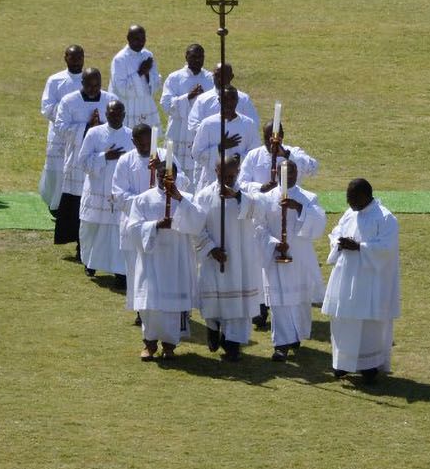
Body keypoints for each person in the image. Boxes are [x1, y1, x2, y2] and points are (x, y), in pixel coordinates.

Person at [172, 155, 267, 362]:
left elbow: (261, 209)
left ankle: (233, 344)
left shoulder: (247, 192)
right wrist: (211, 248)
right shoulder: (205, 195)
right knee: (213, 301)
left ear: (238, 171)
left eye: (232, 175)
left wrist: (237, 196)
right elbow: (197, 226)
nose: (229, 179)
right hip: (214, 259)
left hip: (241, 261)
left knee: (238, 307)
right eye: (224, 176)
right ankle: (213, 327)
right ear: (216, 172)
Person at [244, 159, 327, 361]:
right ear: (278, 174)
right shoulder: (266, 199)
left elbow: (319, 223)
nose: (290, 177)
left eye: (293, 173)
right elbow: (258, 226)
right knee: (279, 301)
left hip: (299, 258)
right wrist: (273, 243)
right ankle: (281, 344)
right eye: (286, 173)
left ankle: (295, 335)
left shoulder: (308, 197)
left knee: (299, 300)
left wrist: (299, 208)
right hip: (275, 257)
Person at [322, 178, 400, 382]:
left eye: (352, 198)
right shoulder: (350, 213)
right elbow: (336, 231)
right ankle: (343, 363)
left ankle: (368, 365)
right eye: (348, 198)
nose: (349, 202)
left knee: (367, 323)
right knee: (343, 320)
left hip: (369, 282)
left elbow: (387, 249)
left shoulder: (385, 218)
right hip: (345, 275)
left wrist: (359, 247)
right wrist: (338, 242)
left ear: (365, 195)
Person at [121, 157, 195, 361]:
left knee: (172, 308)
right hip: (151, 260)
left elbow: (198, 222)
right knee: (150, 306)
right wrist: (155, 226)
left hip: (177, 260)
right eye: (162, 176)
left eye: (170, 176)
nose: (165, 180)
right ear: (157, 176)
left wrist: (180, 198)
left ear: (177, 177)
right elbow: (133, 228)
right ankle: (149, 344)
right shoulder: (143, 199)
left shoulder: (186, 198)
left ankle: (169, 346)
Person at [51, 68, 118, 253]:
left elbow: (118, 125)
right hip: (77, 161)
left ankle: (98, 245)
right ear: (82, 83)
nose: (93, 89)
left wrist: (101, 128)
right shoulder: (69, 101)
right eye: (89, 85)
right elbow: (61, 128)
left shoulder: (110, 100)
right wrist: (88, 127)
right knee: (77, 204)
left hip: (104, 162)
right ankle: (81, 245)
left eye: (97, 85)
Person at [78, 100, 132, 282]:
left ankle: (119, 271)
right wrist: (104, 157)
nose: (114, 117)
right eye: (111, 114)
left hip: (118, 193)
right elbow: (82, 162)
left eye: (118, 114)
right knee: (92, 229)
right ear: (106, 114)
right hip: (96, 190)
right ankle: (90, 263)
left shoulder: (130, 136)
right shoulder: (94, 133)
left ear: (124, 115)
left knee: (116, 233)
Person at [40, 45, 85, 214]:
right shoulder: (55, 80)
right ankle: (55, 203)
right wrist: (67, 111)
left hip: (81, 132)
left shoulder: (88, 79)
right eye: (73, 57)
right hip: (59, 133)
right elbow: (47, 108)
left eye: (79, 57)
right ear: (65, 58)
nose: (76, 61)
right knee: (57, 169)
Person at [189, 86, 261, 190]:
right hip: (212, 180)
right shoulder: (208, 124)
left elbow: (256, 153)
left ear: (237, 100)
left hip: (239, 181)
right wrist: (220, 148)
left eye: (233, 98)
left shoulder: (249, 124)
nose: (229, 102)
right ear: (219, 100)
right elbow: (196, 154)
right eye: (225, 99)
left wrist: (240, 159)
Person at [159, 43, 211, 184]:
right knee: (176, 169)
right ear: (186, 57)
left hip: (199, 130)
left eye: (200, 57)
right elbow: (166, 104)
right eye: (193, 56)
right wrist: (188, 96)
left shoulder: (210, 78)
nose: (197, 60)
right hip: (179, 129)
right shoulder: (175, 78)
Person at [109, 25, 161, 140]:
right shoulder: (120, 59)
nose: (140, 43)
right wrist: (140, 72)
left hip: (145, 105)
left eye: (143, 39)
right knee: (129, 139)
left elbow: (156, 81)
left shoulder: (148, 55)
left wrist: (148, 75)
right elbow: (120, 88)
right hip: (128, 105)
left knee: (148, 140)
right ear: (128, 38)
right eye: (136, 39)